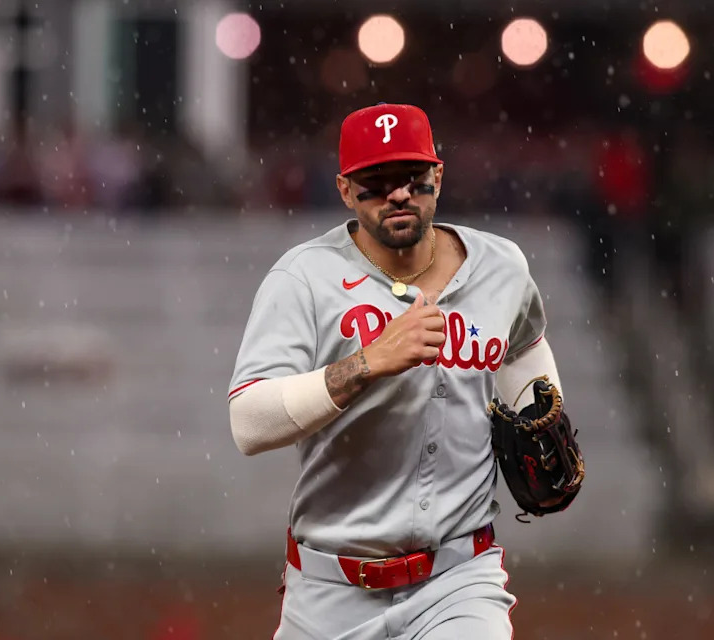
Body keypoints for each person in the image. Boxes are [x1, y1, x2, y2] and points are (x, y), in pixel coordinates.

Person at [228, 103, 566, 639]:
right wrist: (367, 363)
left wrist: (536, 405)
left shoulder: (501, 266)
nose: (398, 194)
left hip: (458, 579)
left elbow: (524, 344)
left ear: (438, 176)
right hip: (327, 591)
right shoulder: (304, 278)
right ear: (344, 190)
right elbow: (248, 423)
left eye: (412, 178)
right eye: (376, 182)